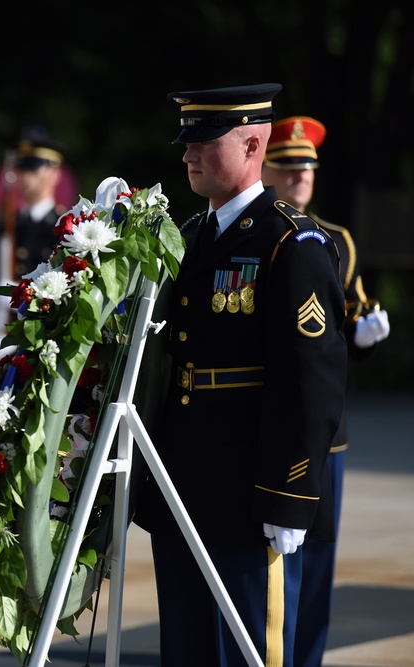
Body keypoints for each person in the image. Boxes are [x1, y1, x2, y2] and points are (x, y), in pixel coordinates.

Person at [133, 84, 348, 665]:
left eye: (203, 141)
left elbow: (313, 380)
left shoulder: (291, 241)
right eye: (186, 140)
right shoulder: (189, 235)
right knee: (187, 647)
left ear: (254, 143)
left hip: (252, 490)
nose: (187, 154)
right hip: (184, 483)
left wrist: (291, 493)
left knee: (252, 648)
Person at [261, 115, 390, 667]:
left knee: (318, 562)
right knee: (276, 565)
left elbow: (350, 321)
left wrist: (365, 337)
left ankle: (306, 658)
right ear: (266, 168)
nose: (300, 176)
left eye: (307, 166)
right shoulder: (262, 232)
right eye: (289, 166)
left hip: (328, 433)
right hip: (277, 420)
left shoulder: (336, 241)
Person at [0, 134, 70, 358]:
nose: (25, 176)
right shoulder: (3, 228)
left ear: (55, 173)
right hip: (3, 335)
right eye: (22, 169)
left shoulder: (64, 228)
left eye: (34, 168)